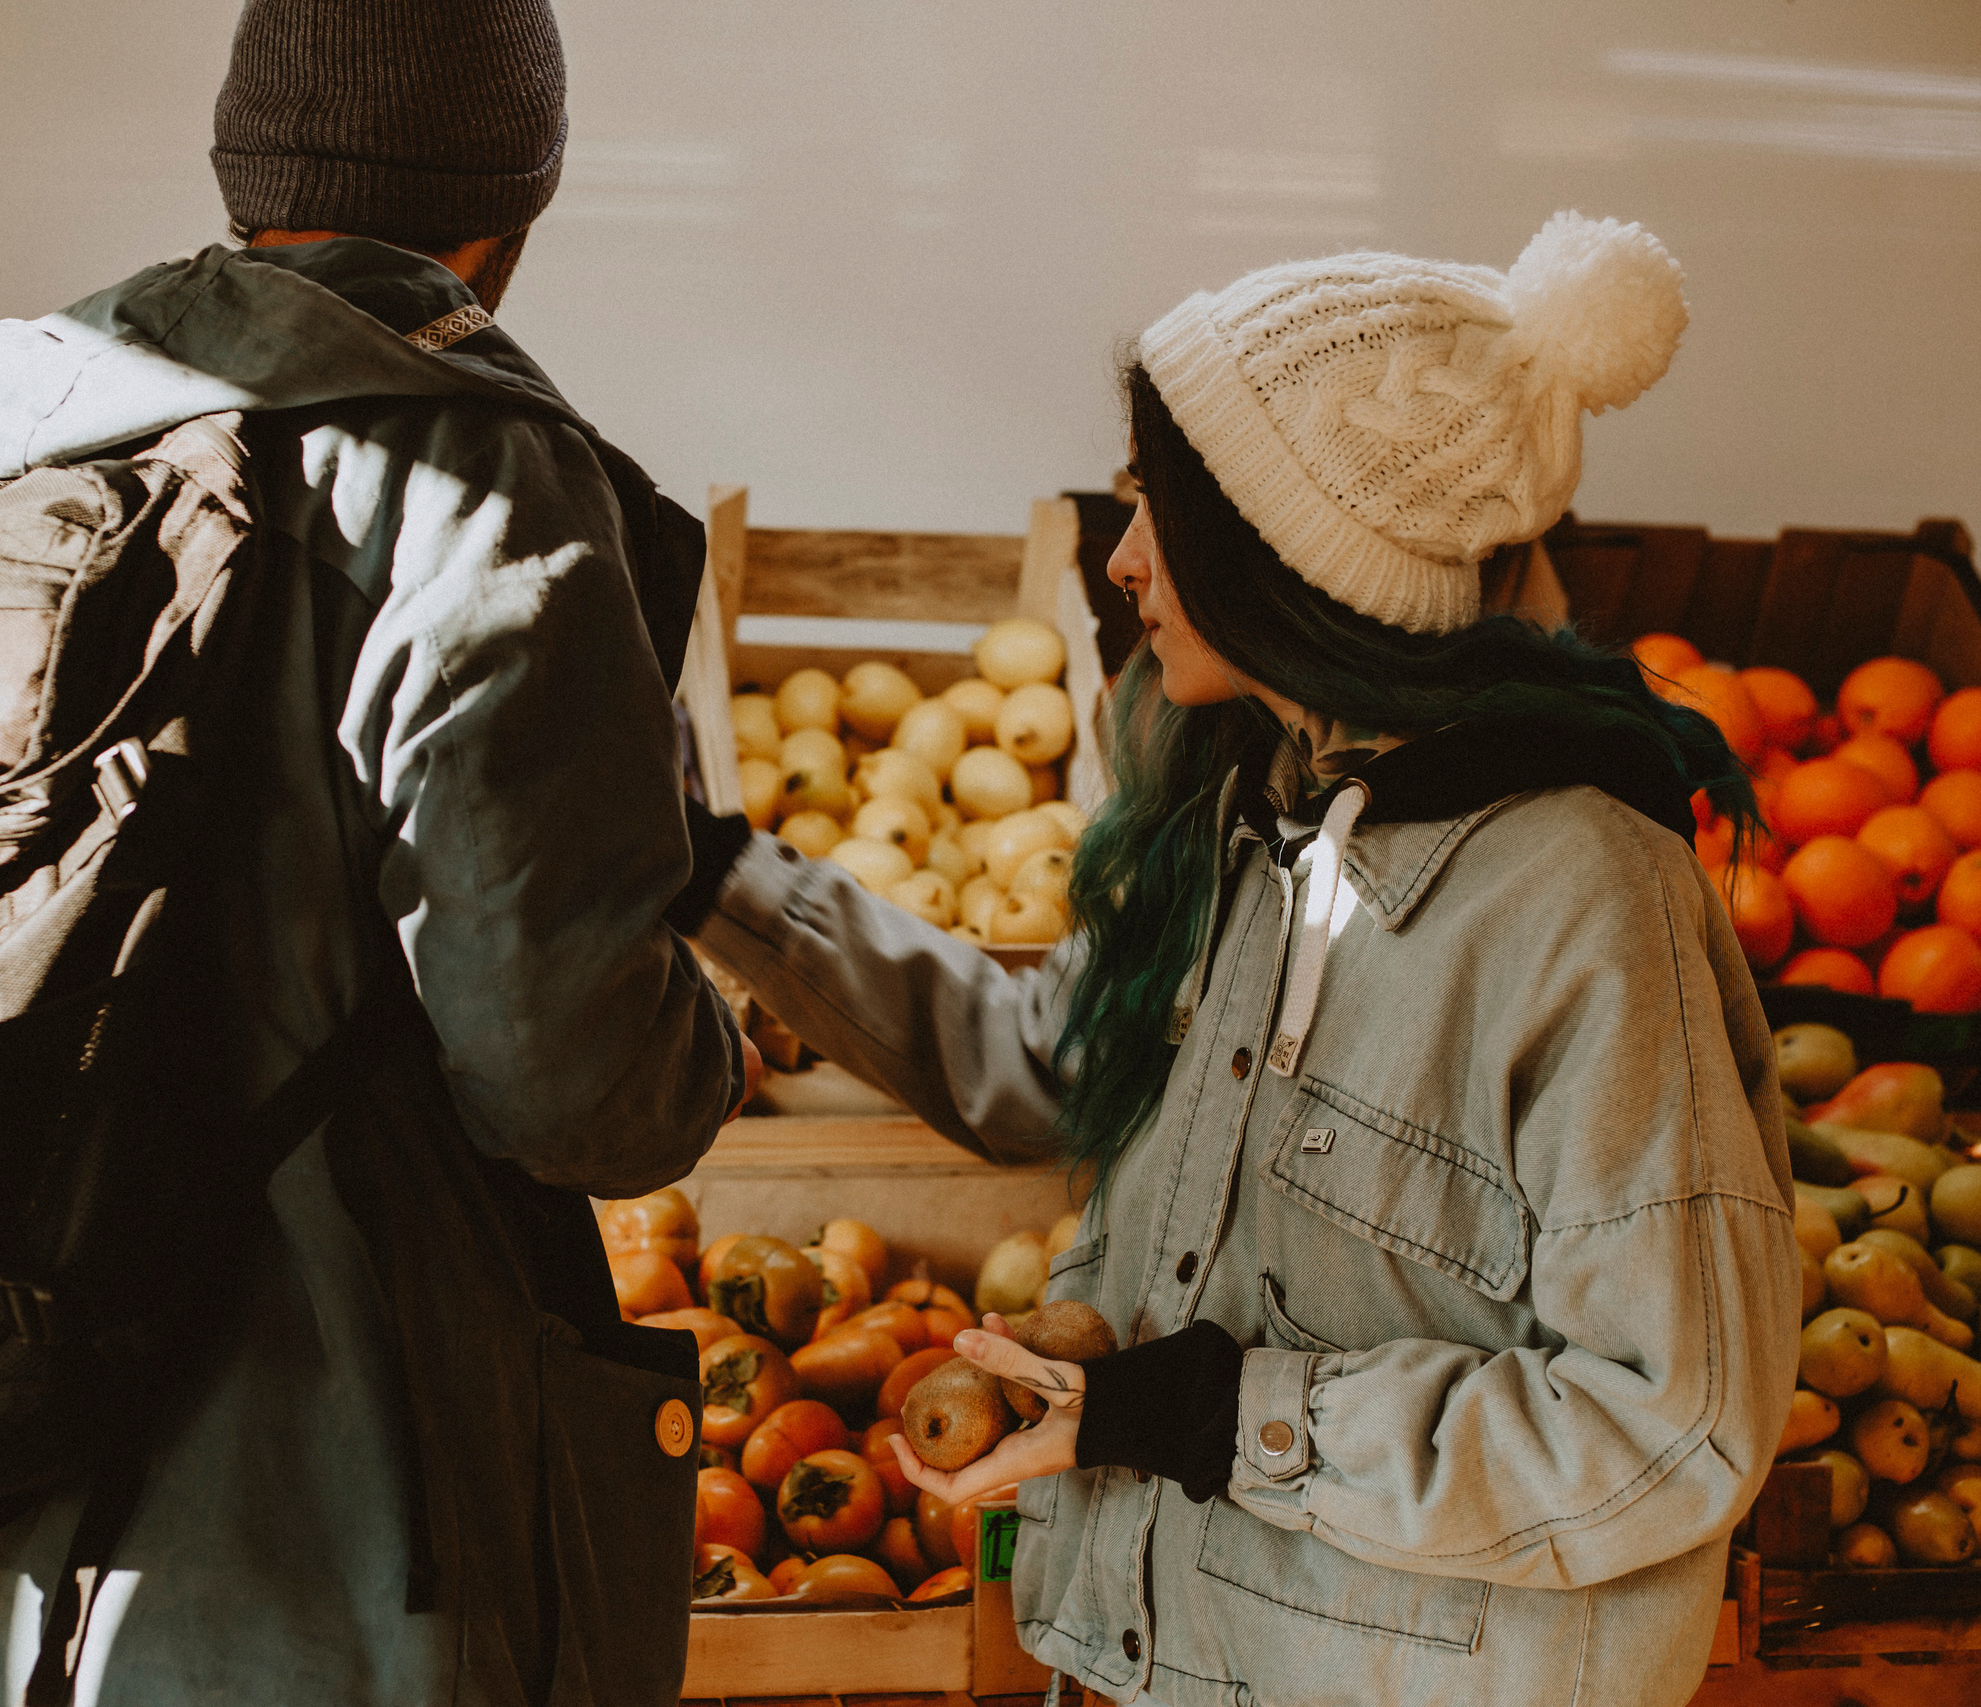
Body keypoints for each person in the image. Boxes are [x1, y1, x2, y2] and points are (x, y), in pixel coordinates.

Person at [0, 1, 753, 1702]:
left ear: (243, 163)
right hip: (287, 1517)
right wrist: (705, 1035)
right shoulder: (479, 474)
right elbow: (568, 1078)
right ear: (514, 205)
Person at [668, 214, 1797, 1707]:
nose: (1126, 558)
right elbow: (1045, 1066)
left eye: (1164, 515)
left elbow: (1670, 1429)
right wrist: (716, 876)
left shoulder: (1585, 904)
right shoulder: (1252, 814)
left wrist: (1225, 1415)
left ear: (1303, 556)